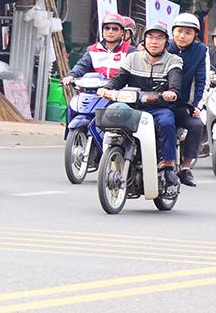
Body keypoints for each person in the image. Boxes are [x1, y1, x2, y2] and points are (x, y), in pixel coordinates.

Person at [100, 24, 185, 188]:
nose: (154, 42)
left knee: (167, 122)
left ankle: (168, 165)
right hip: (132, 107)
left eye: (159, 38)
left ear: (166, 43)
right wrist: (107, 89)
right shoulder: (133, 58)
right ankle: (106, 155)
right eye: (151, 37)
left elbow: (175, 83)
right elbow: (119, 78)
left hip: (159, 108)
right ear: (144, 40)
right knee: (109, 117)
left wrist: (172, 92)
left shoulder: (174, 60)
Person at [168, 13, 207, 186]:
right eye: (179, 31)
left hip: (181, 104)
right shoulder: (162, 46)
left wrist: (197, 106)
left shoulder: (201, 51)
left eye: (188, 32)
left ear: (195, 35)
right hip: (154, 101)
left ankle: (185, 167)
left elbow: (202, 81)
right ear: (172, 32)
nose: (182, 36)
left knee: (197, 125)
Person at [65, 12, 132, 81]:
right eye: (107, 28)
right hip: (94, 89)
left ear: (122, 32)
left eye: (115, 29)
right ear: (102, 31)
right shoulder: (92, 49)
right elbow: (82, 65)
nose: (110, 32)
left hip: (118, 90)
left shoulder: (130, 51)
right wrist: (72, 76)